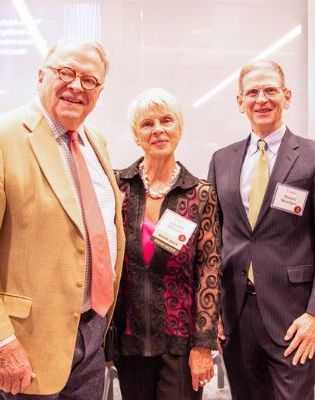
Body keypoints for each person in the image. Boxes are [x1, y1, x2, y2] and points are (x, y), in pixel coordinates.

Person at [0, 39, 124, 398]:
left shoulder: (97, 143)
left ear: (99, 91)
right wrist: (0, 342)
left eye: (89, 80)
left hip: (91, 332)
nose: (77, 86)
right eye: (66, 73)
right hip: (25, 345)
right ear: (41, 75)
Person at [207, 59, 315, 400]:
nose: (262, 99)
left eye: (270, 90)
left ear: (287, 96)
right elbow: (213, 244)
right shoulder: (221, 160)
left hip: (294, 315)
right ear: (240, 102)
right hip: (236, 314)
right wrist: (213, 313)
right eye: (252, 92)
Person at [110, 89, 222, 399]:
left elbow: (209, 272)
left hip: (181, 342)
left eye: (166, 121)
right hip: (130, 338)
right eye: (147, 124)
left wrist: (203, 344)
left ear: (179, 129)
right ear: (136, 135)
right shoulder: (118, 186)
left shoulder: (199, 193)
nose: (158, 130)